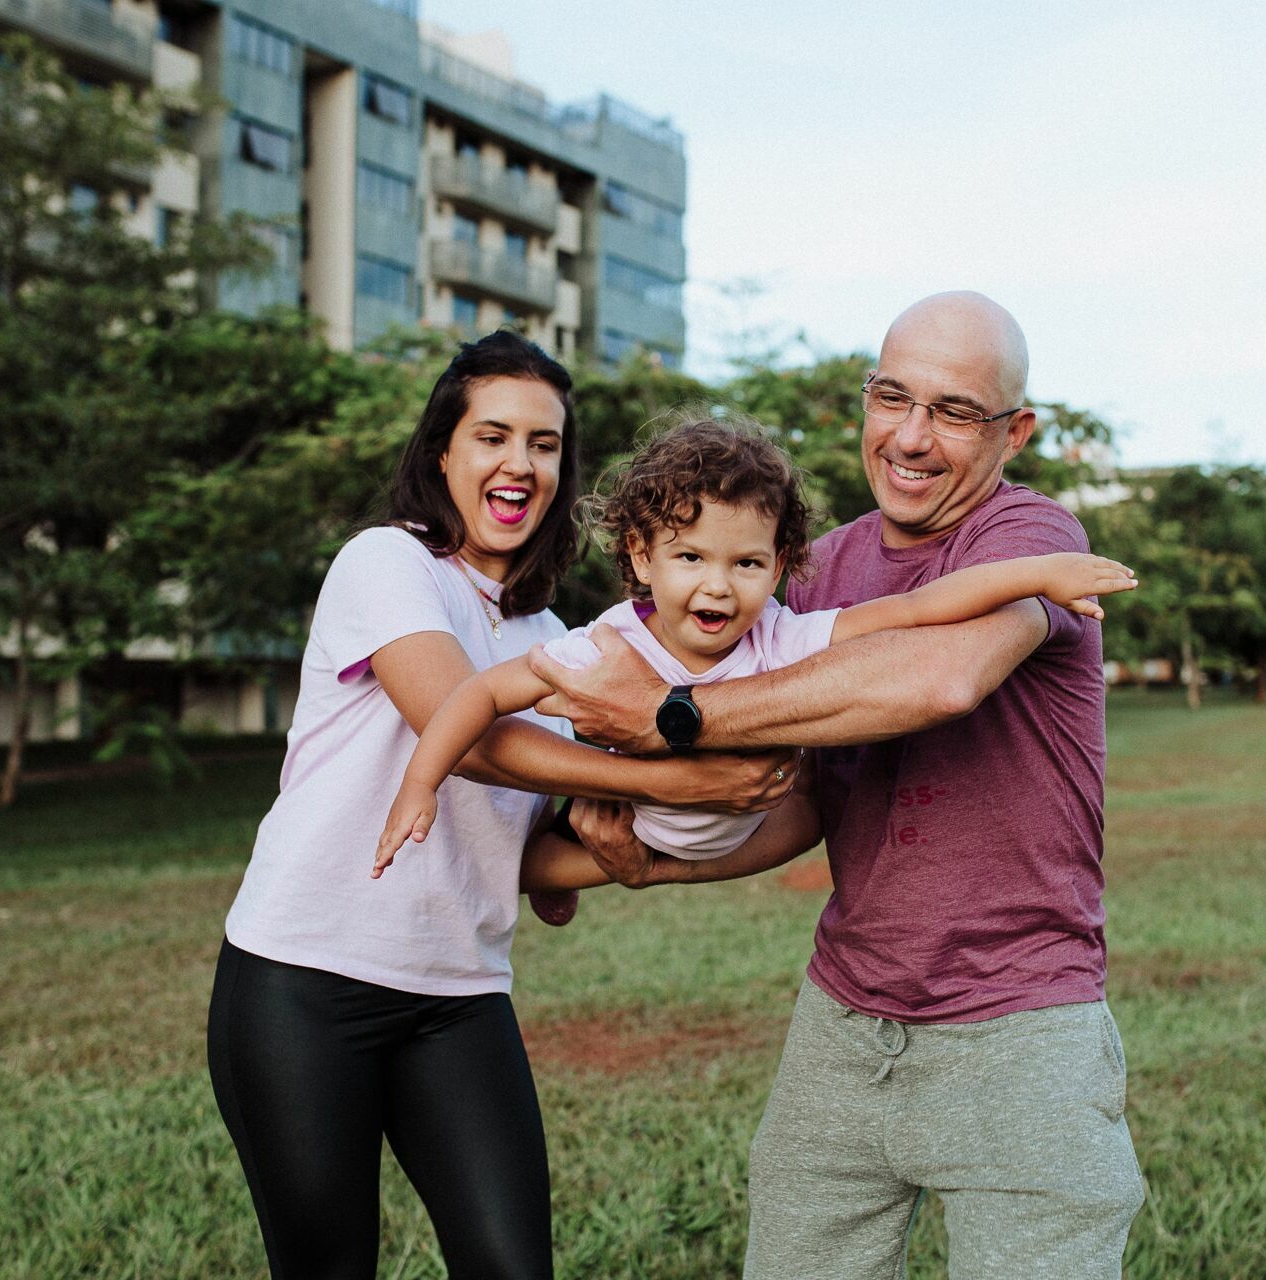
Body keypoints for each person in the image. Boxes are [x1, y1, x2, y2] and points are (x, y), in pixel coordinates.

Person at [529, 293, 1147, 1279]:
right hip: (845, 1015)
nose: (909, 436)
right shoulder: (818, 568)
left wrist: (666, 711)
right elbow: (808, 800)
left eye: (952, 411)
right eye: (891, 396)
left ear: (1015, 431)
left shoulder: (1031, 538)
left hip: (1020, 1024)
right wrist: (636, 866)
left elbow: (942, 675)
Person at [204, 331, 794, 1280]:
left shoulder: (557, 636)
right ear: (444, 450)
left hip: (458, 998)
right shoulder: (387, 563)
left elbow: (528, 853)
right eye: (493, 436)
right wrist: (676, 775)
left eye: (546, 444)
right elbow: (468, 738)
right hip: (303, 981)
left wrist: (632, 858)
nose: (521, 462)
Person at [371, 413, 1135, 872]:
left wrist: (1037, 572)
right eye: (690, 558)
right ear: (640, 556)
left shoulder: (784, 635)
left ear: (781, 567)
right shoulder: (607, 649)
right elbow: (482, 694)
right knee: (550, 856)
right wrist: (420, 783)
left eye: (747, 564)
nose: (719, 587)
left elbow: (920, 608)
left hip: (718, 838)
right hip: (638, 822)